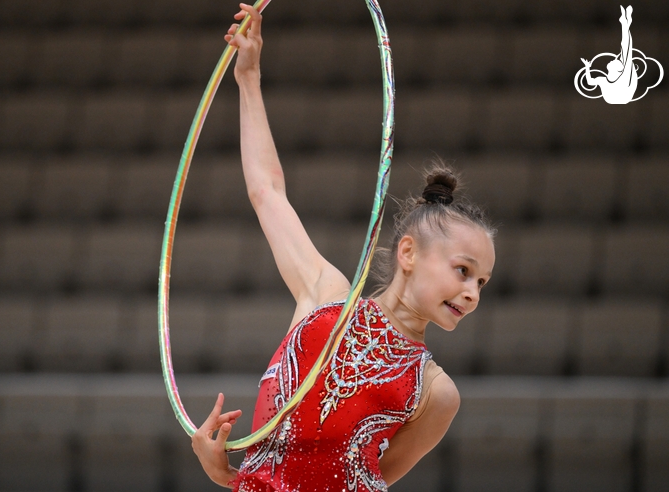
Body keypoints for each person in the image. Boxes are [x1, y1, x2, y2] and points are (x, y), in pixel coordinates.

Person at [191, 4, 496, 490]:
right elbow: (267, 192)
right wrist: (248, 79)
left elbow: (365, 482)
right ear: (409, 253)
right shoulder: (325, 296)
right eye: (463, 271)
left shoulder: (437, 394)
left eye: (482, 282)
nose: (473, 292)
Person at [581, 5, 637, 104]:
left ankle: (625, 23)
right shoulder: (604, 80)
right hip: (617, 97)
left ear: (618, 69)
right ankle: (625, 23)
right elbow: (590, 82)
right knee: (626, 51)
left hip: (622, 96)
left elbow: (627, 49)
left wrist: (625, 26)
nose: (614, 59)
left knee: (626, 50)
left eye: (616, 61)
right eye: (617, 60)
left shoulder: (621, 78)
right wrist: (587, 67)